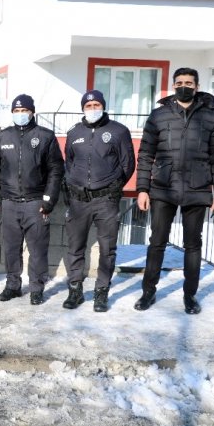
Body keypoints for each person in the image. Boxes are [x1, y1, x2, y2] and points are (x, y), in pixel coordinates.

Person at [134, 67, 214, 314]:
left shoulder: (212, 117)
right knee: (157, 243)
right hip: (163, 188)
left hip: (197, 189)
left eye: (188, 82)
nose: (183, 86)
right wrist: (143, 189)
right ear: (173, 86)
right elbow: (145, 155)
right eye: (179, 83)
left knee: (193, 245)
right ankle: (148, 292)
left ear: (196, 86)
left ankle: (190, 295)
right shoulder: (158, 116)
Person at [62, 90, 135, 312]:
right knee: (75, 247)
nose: (92, 108)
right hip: (78, 200)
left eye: (96, 104)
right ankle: (75, 290)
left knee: (107, 249)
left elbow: (128, 164)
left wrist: (115, 186)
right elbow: (69, 163)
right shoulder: (74, 132)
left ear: (103, 106)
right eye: (88, 105)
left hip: (106, 200)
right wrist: (72, 185)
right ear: (83, 108)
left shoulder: (118, 131)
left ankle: (101, 292)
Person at [0, 95, 64, 306]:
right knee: (11, 248)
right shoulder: (2, 137)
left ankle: (36, 288)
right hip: (10, 202)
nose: (20, 114)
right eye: (17, 111)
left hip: (35, 202)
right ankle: (13, 285)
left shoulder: (45, 136)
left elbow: (56, 170)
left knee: (38, 249)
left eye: (24, 111)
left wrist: (49, 200)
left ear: (32, 112)